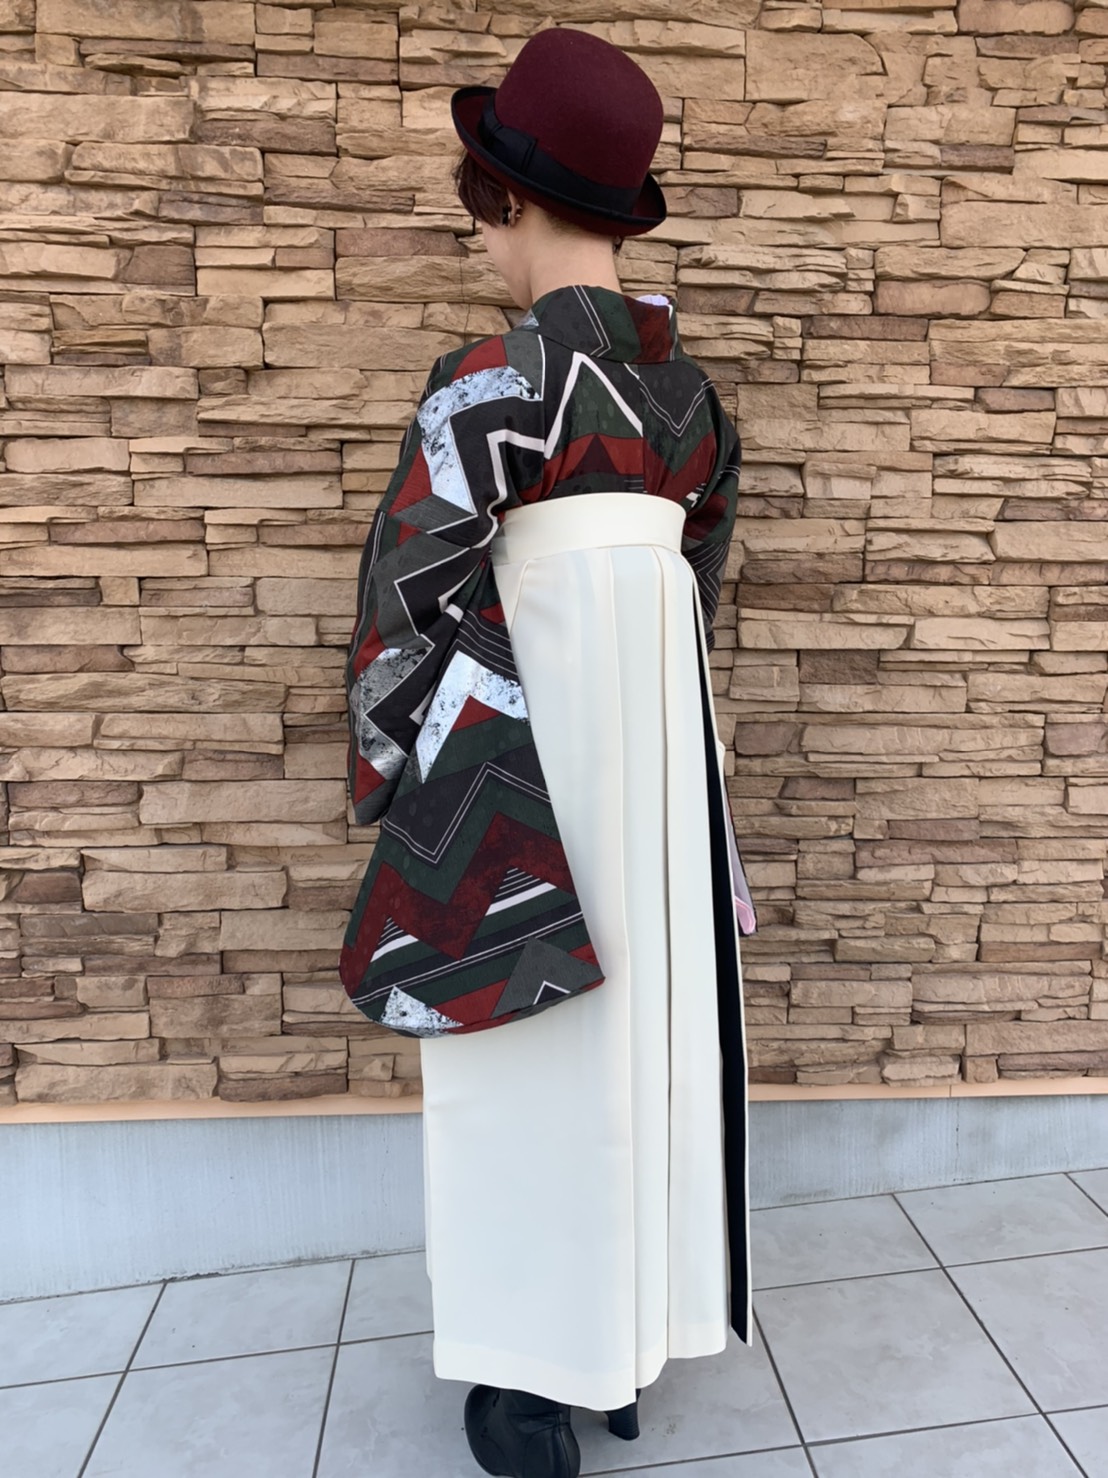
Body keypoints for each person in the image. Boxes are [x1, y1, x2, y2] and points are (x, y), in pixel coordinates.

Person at [342, 26, 754, 1478]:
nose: (481, 237)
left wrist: (391, 765)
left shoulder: (490, 384)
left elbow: (409, 592)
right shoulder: (690, 406)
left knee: (529, 1053)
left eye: (483, 210)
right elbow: (694, 585)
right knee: (647, 1035)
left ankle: (530, 1379)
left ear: (507, 197)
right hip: (653, 754)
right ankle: (628, 1338)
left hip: (518, 768)